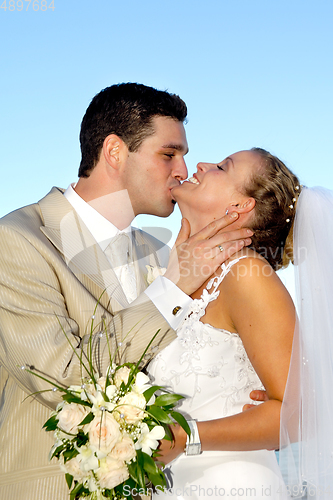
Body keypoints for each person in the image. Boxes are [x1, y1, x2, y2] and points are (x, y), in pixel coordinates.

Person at [0, 83, 252, 499]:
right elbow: (62, 378)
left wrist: (257, 399)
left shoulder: (163, 254)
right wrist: (174, 287)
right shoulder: (18, 240)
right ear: (114, 152)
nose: (183, 171)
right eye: (169, 154)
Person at [148, 148, 299, 499]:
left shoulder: (247, 275)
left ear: (240, 207)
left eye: (221, 167)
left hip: (232, 485)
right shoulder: (171, 276)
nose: (200, 165)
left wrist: (189, 437)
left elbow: (294, 415)